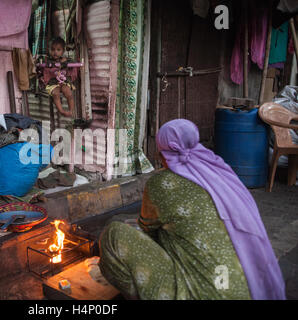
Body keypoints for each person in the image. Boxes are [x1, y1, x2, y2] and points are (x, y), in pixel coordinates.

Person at [98, 119, 286, 300]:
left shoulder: (161, 183)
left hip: (203, 293)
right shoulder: (220, 171)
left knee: (114, 233)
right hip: (252, 286)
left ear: (162, 152)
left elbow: (147, 228)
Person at [42, 37, 75, 117]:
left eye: (58, 50)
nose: (55, 52)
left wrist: (65, 62)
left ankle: (71, 111)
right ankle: (62, 111)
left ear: (63, 51)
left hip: (63, 82)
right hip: (52, 82)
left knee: (68, 93)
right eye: (52, 49)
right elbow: (42, 67)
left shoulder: (65, 60)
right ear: (49, 50)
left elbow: (72, 64)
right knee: (55, 94)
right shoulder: (47, 60)